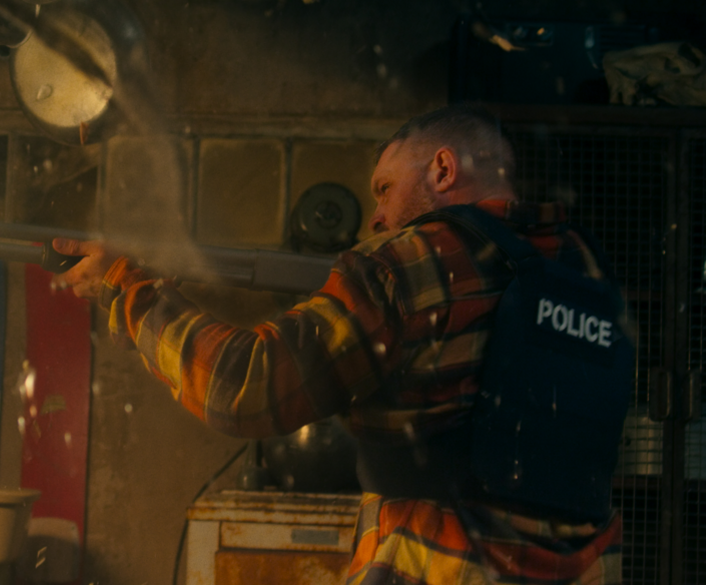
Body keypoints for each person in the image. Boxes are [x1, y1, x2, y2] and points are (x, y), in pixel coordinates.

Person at [51, 104, 625, 585]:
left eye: (385, 188)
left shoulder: (409, 262)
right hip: (586, 568)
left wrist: (127, 292)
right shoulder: (587, 267)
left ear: (443, 169)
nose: (377, 216)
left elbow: (242, 387)